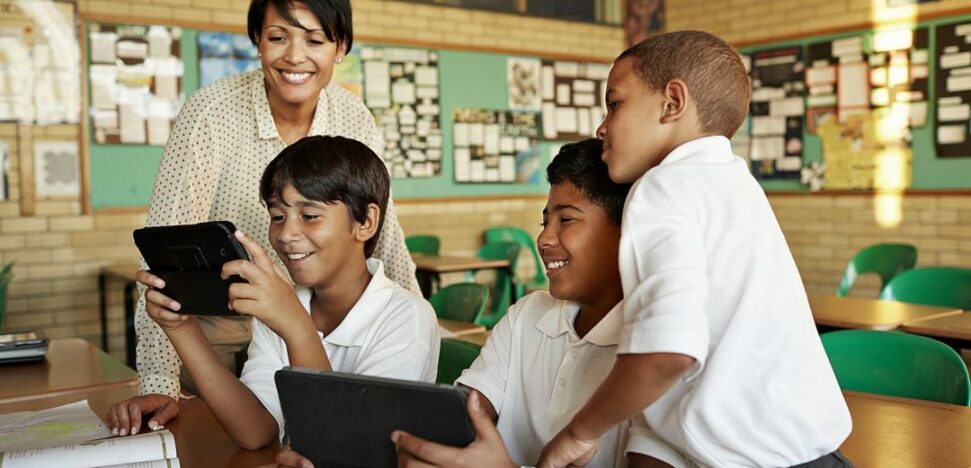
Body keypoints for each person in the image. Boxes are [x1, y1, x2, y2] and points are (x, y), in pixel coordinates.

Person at [539, 31, 852, 468]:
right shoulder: (734, 181)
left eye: (615, 104)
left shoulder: (663, 187)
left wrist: (579, 433)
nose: (602, 127)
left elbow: (666, 352)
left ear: (672, 102)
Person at [107, 0, 422, 433]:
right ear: (257, 40)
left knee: (321, 433)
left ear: (341, 47)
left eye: (315, 40)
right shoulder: (212, 111)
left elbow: (384, 233)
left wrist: (408, 315)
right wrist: (160, 380)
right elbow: (164, 248)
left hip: (306, 314)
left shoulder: (354, 118)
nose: (295, 56)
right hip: (215, 321)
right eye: (278, 37)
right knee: (219, 442)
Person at [277, 139, 687, 468]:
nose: (544, 238)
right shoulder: (527, 316)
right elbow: (461, 418)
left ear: (627, 231)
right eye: (545, 220)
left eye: (566, 219)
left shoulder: (656, 353)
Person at [106, 135, 439, 449]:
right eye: (277, 216)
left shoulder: (406, 319)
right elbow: (255, 431)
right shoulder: (282, 305)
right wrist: (182, 329)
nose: (286, 233)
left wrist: (295, 326)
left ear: (365, 221)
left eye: (309, 215)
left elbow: (341, 446)